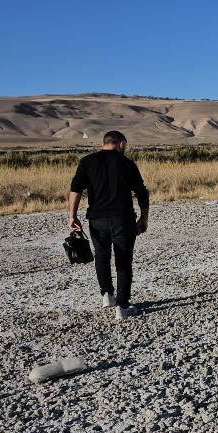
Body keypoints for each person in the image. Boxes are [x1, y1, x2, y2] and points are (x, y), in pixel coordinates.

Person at [68, 130, 150, 320]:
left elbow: (75, 188)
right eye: (125, 145)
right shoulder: (127, 163)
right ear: (121, 143)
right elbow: (142, 193)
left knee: (101, 256)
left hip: (97, 220)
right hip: (123, 219)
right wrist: (144, 219)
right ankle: (122, 306)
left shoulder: (87, 162)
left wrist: (71, 216)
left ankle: (107, 295)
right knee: (123, 261)